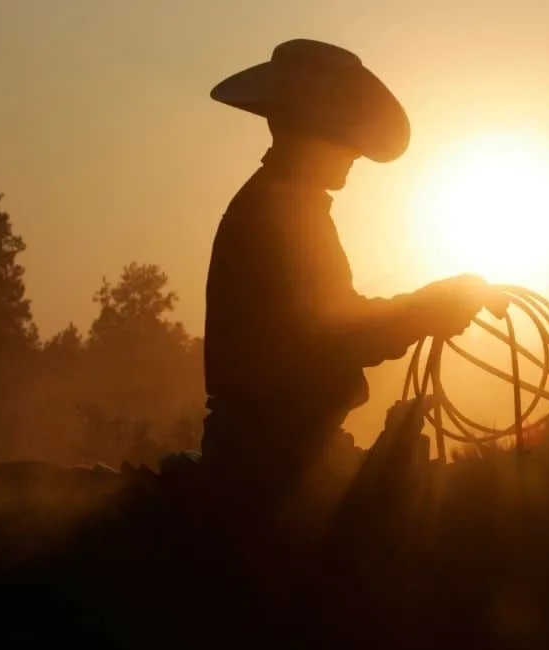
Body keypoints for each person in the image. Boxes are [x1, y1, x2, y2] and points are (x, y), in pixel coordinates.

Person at [202, 39, 500, 526]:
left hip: (281, 447)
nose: (356, 153)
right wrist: (434, 306)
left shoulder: (283, 206)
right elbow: (338, 333)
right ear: (308, 133)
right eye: (344, 136)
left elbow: (335, 325)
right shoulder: (278, 215)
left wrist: (435, 304)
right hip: (271, 462)